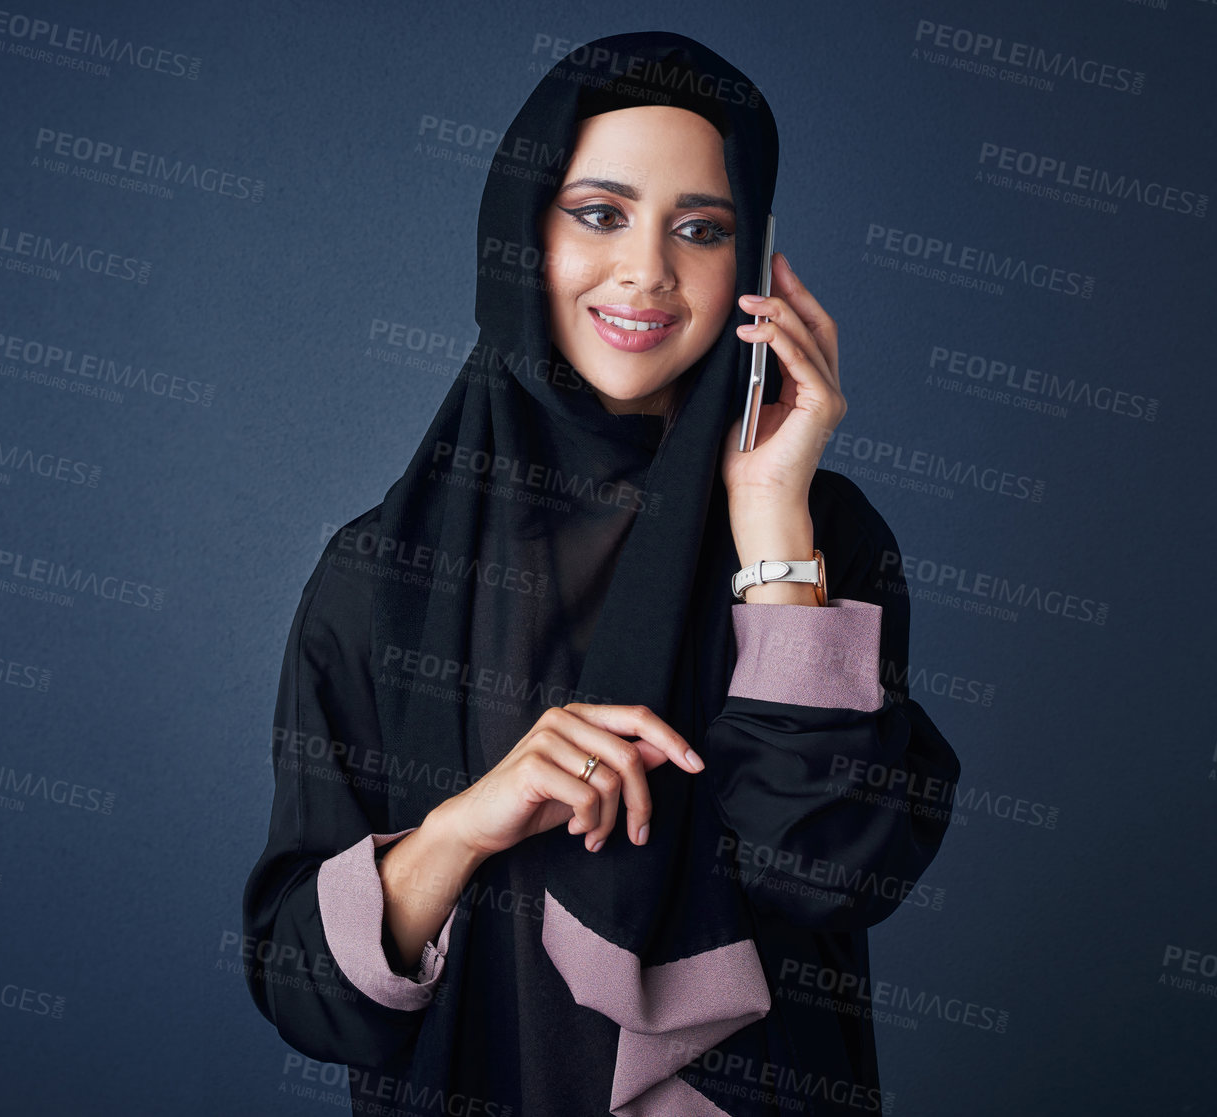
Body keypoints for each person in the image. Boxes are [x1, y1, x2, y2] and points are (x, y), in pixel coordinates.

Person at [242, 30, 961, 1117]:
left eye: (701, 229)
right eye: (599, 213)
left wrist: (769, 525)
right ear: (522, 230)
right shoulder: (379, 571)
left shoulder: (824, 533)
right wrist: (468, 824)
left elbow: (831, 873)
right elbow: (306, 987)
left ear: (751, 266)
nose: (646, 272)